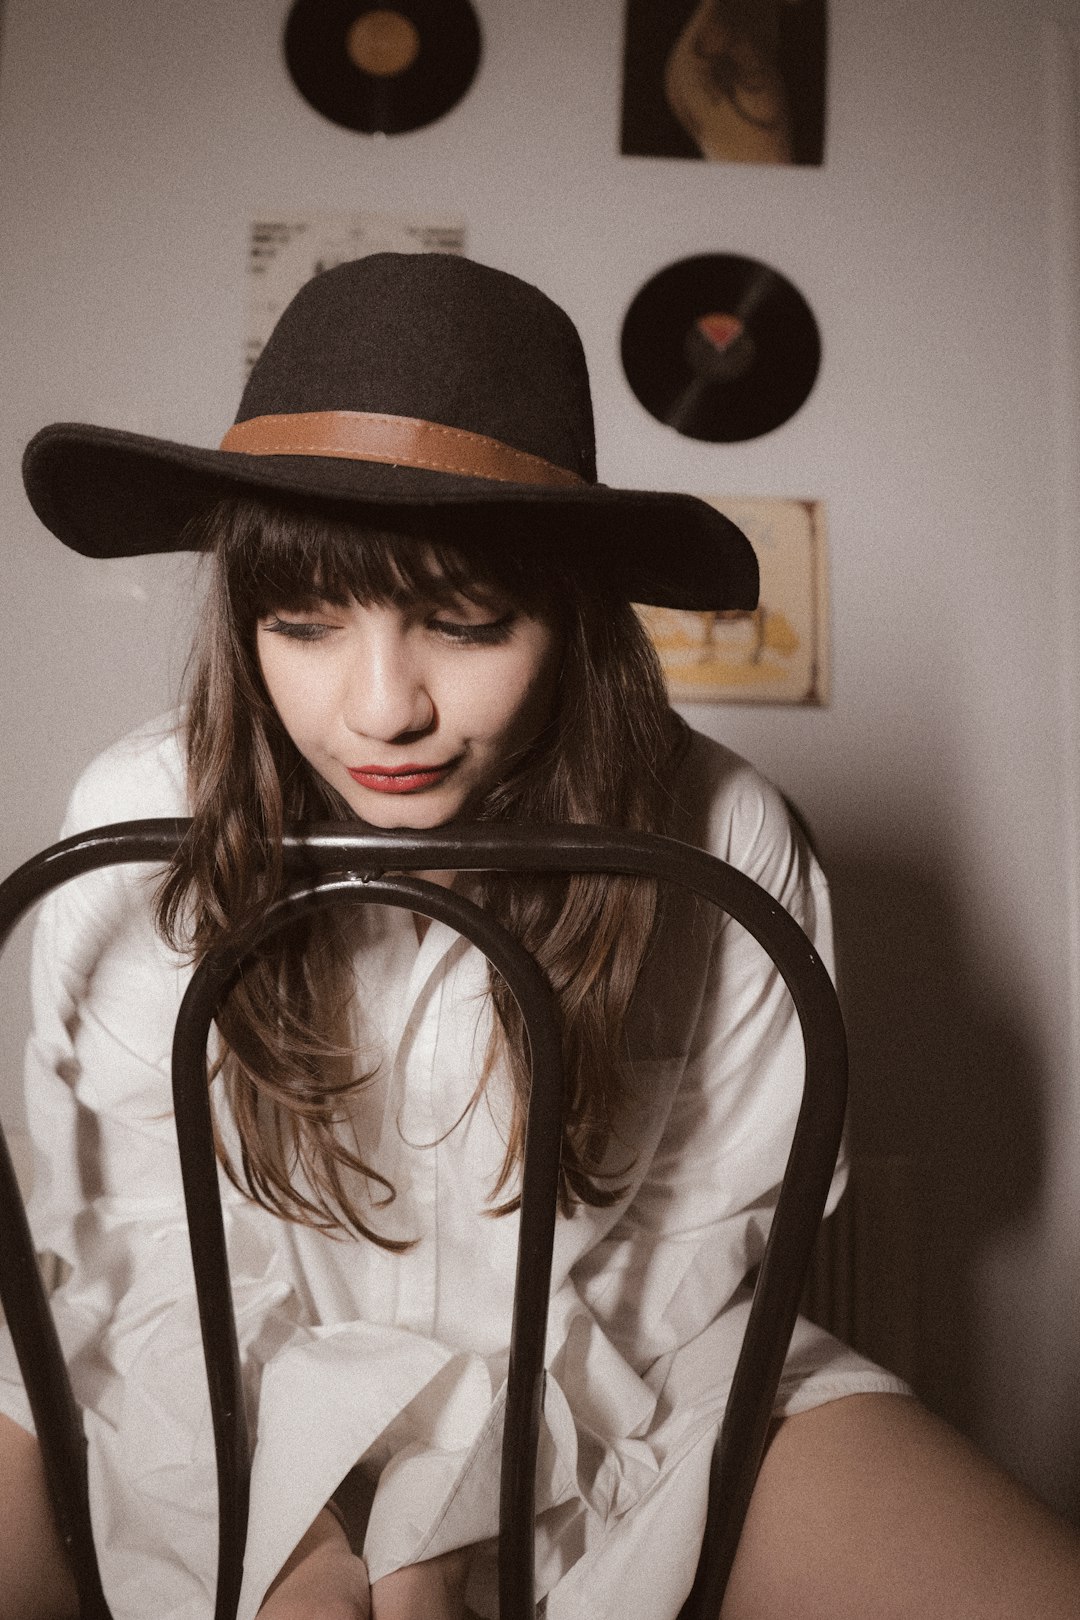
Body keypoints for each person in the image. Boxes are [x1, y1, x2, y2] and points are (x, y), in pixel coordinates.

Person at [1, 253, 1077, 1620]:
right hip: (202, 1373)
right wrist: (294, 1534)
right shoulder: (140, 820)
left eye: (465, 621)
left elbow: (692, 1261)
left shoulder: (724, 835)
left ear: (574, 613)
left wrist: (455, 1518)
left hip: (623, 1388)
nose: (382, 708)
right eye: (304, 622)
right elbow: (138, 1246)